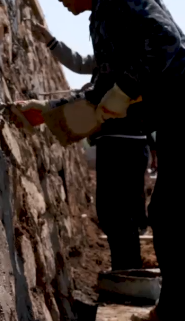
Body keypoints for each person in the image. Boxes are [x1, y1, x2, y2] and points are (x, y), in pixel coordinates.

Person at [23, 0, 185, 321]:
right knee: (165, 213)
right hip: (175, 113)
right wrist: (48, 112)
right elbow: (100, 89)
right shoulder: (100, 22)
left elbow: (166, 40)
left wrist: (126, 87)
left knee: (182, 214)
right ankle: (173, 312)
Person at [30, 22, 151, 270]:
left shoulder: (122, 60)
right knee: (115, 213)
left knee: (116, 212)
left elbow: (94, 95)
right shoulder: (112, 58)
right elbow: (79, 62)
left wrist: (53, 107)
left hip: (122, 145)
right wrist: (51, 42)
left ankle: (127, 271)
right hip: (121, 143)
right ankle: (126, 268)